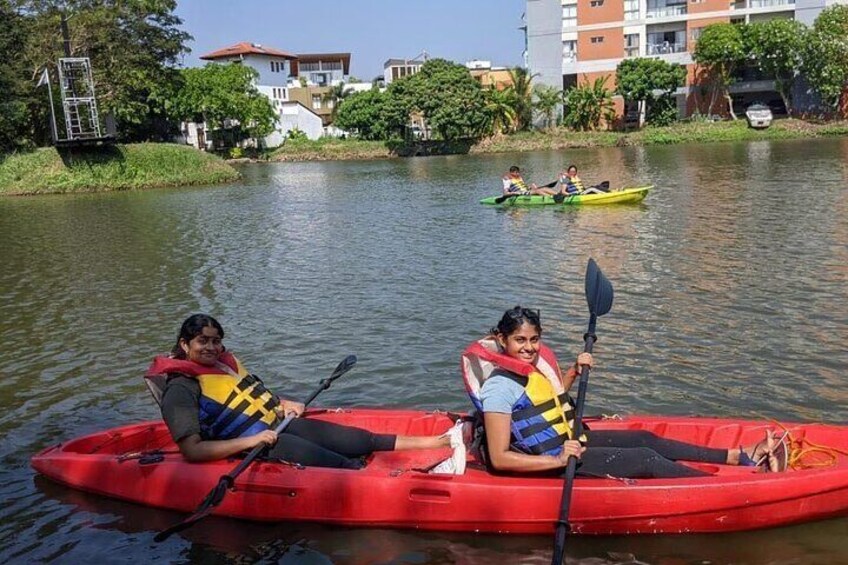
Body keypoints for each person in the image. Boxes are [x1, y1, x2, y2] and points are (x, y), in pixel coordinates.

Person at [461, 306, 788, 479]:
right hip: (549, 462)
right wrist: (560, 459)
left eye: (534, 340)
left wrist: (573, 371)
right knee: (644, 459)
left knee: (646, 439)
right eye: (520, 341)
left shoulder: (530, 369)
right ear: (502, 340)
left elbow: (550, 400)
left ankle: (737, 456)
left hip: (566, 443)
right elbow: (502, 459)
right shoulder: (498, 388)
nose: (529, 348)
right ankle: (733, 484)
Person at [146, 314, 463, 469]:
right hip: (255, 446)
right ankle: (422, 475)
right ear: (185, 345)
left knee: (358, 440)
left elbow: (254, 396)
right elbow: (192, 451)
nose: (212, 347)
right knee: (343, 464)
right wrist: (252, 440)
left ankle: (441, 441)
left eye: (216, 340)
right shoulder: (181, 389)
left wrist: (283, 403)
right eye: (202, 341)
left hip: (278, 424)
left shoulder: (224, 366)